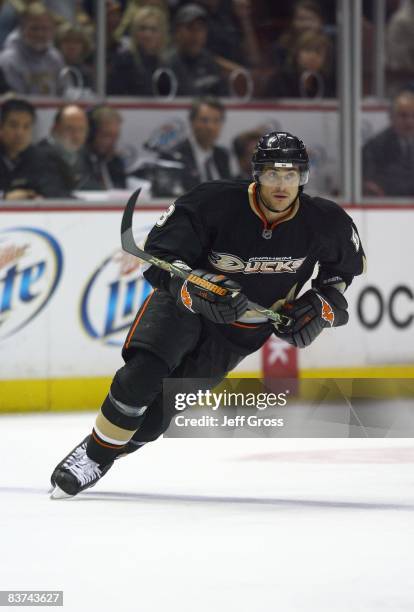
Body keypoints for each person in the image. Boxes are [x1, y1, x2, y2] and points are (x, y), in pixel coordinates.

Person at [50, 130, 366, 498]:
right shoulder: (211, 203)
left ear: (303, 177)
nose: (281, 184)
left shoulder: (326, 222)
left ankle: (101, 449)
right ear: (256, 174)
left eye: (290, 174)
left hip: (240, 334)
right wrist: (195, 286)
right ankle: (93, 457)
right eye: (271, 174)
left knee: (156, 419)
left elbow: (341, 273)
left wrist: (321, 306)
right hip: (182, 308)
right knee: (141, 376)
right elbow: (159, 261)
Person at [158, 96, 231, 195]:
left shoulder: (222, 155)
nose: (210, 127)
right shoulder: (173, 156)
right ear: (192, 122)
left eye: (216, 121)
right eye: (205, 120)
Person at [163, 3, 228, 97]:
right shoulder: (167, 64)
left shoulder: (209, 61)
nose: (196, 34)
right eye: (190, 28)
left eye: (200, 28)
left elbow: (224, 96)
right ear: (177, 31)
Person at [0, 3, 65, 96]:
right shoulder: (7, 60)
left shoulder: (55, 57)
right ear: (22, 29)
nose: (40, 34)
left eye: (45, 28)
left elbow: (63, 92)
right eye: (34, 28)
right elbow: (14, 97)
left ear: (53, 30)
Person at [362, 89, 414, 197]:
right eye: (403, 116)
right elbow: (369, 183)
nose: (410, 121)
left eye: (413, 115)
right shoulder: (374, 147)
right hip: (387, 204)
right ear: (392, 117)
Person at [107, 6, 169, 96]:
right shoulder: (123, 61)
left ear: (162, 34)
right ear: (134, 32)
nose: (147, 34)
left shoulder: (166, 63)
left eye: (153, 29)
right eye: (142, 28)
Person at [35, 104, 90, 197]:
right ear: (54, 129)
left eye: (81, 129)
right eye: (70, 129)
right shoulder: (38, 156)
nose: (77, 136)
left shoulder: (88, 156)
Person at [0, 97, 46, 199]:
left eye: (26, 126)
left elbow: (56, 190)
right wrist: (4, 197)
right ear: (1, 127)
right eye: (13, 125)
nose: (20, 133)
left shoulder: (40, 159)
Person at [85, 105, 126, 189]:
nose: (112, 142)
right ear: (90, 134)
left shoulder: (115, 161)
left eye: (115, 136)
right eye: (106, 135)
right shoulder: (78, 164)